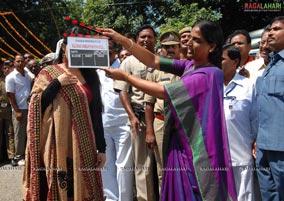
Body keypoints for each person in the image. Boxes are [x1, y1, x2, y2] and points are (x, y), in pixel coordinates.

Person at [101, 19, 237, 200]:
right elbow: (154, 60)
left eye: (196, 40)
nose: (188, 43)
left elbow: (162, 91)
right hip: (180, 143)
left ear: (211, 47)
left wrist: (125, 76)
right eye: (189, 39)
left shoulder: (207, 74)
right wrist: (122, 40)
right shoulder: (191, 66)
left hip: (196, 151)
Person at [22, 26, 106, 201]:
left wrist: (102, 148)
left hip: (84, 145)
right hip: (57, 143)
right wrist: (57, 84)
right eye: (72, 45)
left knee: (85, 189)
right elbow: (36, 105)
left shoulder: (90, 75)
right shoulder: (49, 72)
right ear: (63, 47)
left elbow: (96, 113)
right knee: (63, 188)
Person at [113, 24, 158, 201]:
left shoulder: (161, 60)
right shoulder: (128, 62)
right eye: (143, 37)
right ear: (137, 40)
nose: (146, 40)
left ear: (156, 39)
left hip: (162, 118)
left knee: (164, 164)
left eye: (150, 37)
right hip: (140, 119)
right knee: (142, 165)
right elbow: (122, 91)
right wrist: (131, 116)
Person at [144, 30, 181, 195]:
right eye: (167, 47)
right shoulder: (154, 72)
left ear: (180, 47)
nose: (170, 50)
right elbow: (148, 104)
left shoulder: (189, 68)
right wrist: (149, 130)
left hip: (184, 125)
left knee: (184, 167)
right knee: (163, 169)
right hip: (160, 123)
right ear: (161, 49)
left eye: (174, 46)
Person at [98, 40, 134, 201]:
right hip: (103, 124)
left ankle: (125, 198)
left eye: (110, 50)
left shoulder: (123, 68)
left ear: (114, 51)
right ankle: (111, 198)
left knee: (124, 165)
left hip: (122, 123)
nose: (107, 53)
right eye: (104, 50)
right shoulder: (97, 70)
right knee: (106, 164)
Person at [253, 16, 284, 201]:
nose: (270, 33)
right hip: (263, 146)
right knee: (268, 195)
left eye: (276, 29)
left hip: (281, 147)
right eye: (270, 29)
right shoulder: (270, 65)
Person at [222, 44, 257, 201]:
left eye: (221, 59)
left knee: (244, 196)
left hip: (241, 154)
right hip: (217, 155)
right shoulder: (211, 84)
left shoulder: (249, 86)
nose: (217, 62)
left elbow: (256, 118)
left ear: (235, 61)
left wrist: (256, 141)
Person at [6, 54, 32, 166]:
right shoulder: (11, 77)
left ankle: (27, 155)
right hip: (19, 109)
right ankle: (18, 157)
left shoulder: (27, 75)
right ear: (14, 63)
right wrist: (16, 111)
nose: (20, 63)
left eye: (22, 61)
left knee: (29, 132)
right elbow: (10, 95)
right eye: (18, 61)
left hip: (29, 108)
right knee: (19, 134)